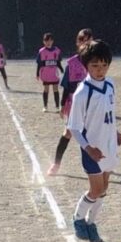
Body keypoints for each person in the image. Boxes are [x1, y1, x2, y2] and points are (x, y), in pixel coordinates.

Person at [65, 40, 121, 242]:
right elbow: (74, 127)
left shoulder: (110, 85)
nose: (100, 70)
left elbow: (109, 114)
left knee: (104, 188)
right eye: (95, 65)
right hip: (92, 149)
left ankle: (91, 223)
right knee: (96, 190)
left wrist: (115, 133)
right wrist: (88, 148)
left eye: (104, 65)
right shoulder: (82, 92)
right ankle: (78, 218)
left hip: (108, 146)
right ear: (86, 66)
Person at [45, 28, 93, 177]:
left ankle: (97, 165)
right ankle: (56, 164)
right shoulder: (72, 63)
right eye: (82, 39)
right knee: (68, 133)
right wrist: (62, 105)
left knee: (93, 134)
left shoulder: (95, 61)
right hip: (74, 103)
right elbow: (67, 86)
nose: (86, 42)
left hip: (91, 103)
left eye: (89, 39)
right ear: (78, 42)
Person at [36, 32, 62, 112]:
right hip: (46, 74)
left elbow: (58, 62)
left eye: (50, 40)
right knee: (46, 89)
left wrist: (61, 69)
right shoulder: (41, 51)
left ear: (52, 41)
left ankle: (57, 107)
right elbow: (39, 64)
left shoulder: (57, 50)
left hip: (54, 74)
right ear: (43, 42)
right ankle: (45, 106)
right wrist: (37, 73)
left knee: (55, 89)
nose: (48, 42)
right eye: (46, 40)